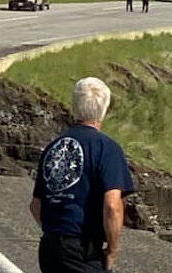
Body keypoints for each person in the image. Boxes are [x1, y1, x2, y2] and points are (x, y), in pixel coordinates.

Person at [30, 77, 134, 273]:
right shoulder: (107, 148)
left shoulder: (54, 147)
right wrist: (113, 249)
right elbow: (112, 205)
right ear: (104, 109)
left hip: (50, 248)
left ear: (75, 106)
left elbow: (36, 205)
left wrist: (54, 231)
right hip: (83, 248)